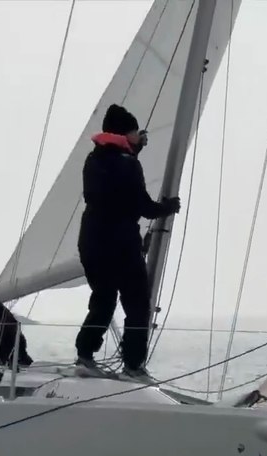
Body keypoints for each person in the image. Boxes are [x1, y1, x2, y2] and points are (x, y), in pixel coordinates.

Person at [74, 103, 180, 383]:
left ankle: (84, 354)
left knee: (104, 299)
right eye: (135, 132)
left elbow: (115, 172)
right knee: (136, 304)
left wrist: (134, 147)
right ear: (126, 134)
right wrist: (168, 207)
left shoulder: (93, 159)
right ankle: (133, 366)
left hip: (91, 241)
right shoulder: (128, 163)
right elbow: (143, 205)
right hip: (120, 243)